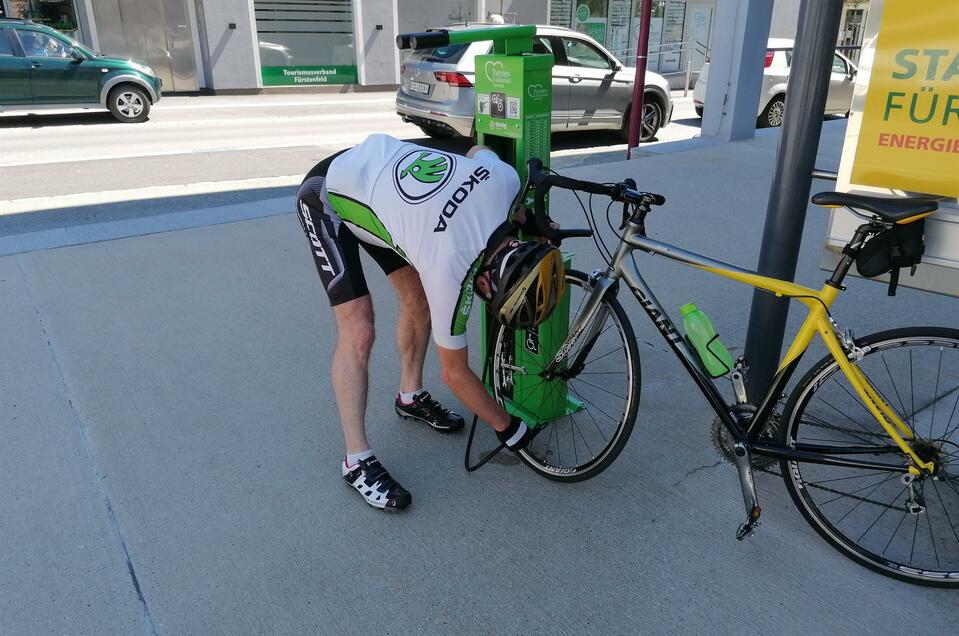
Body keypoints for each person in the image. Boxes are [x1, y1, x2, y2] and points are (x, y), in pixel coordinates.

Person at [295, 134, 564, 511]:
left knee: (417, 298)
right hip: (327, 196)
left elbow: (474, 149)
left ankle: (409, 396)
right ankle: (355, 461)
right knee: (358, 328)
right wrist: (509, 428)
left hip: (383, 185)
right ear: (484, 284)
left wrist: (524, 216)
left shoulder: (504, 183)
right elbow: (455, 374)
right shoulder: (448, 266)